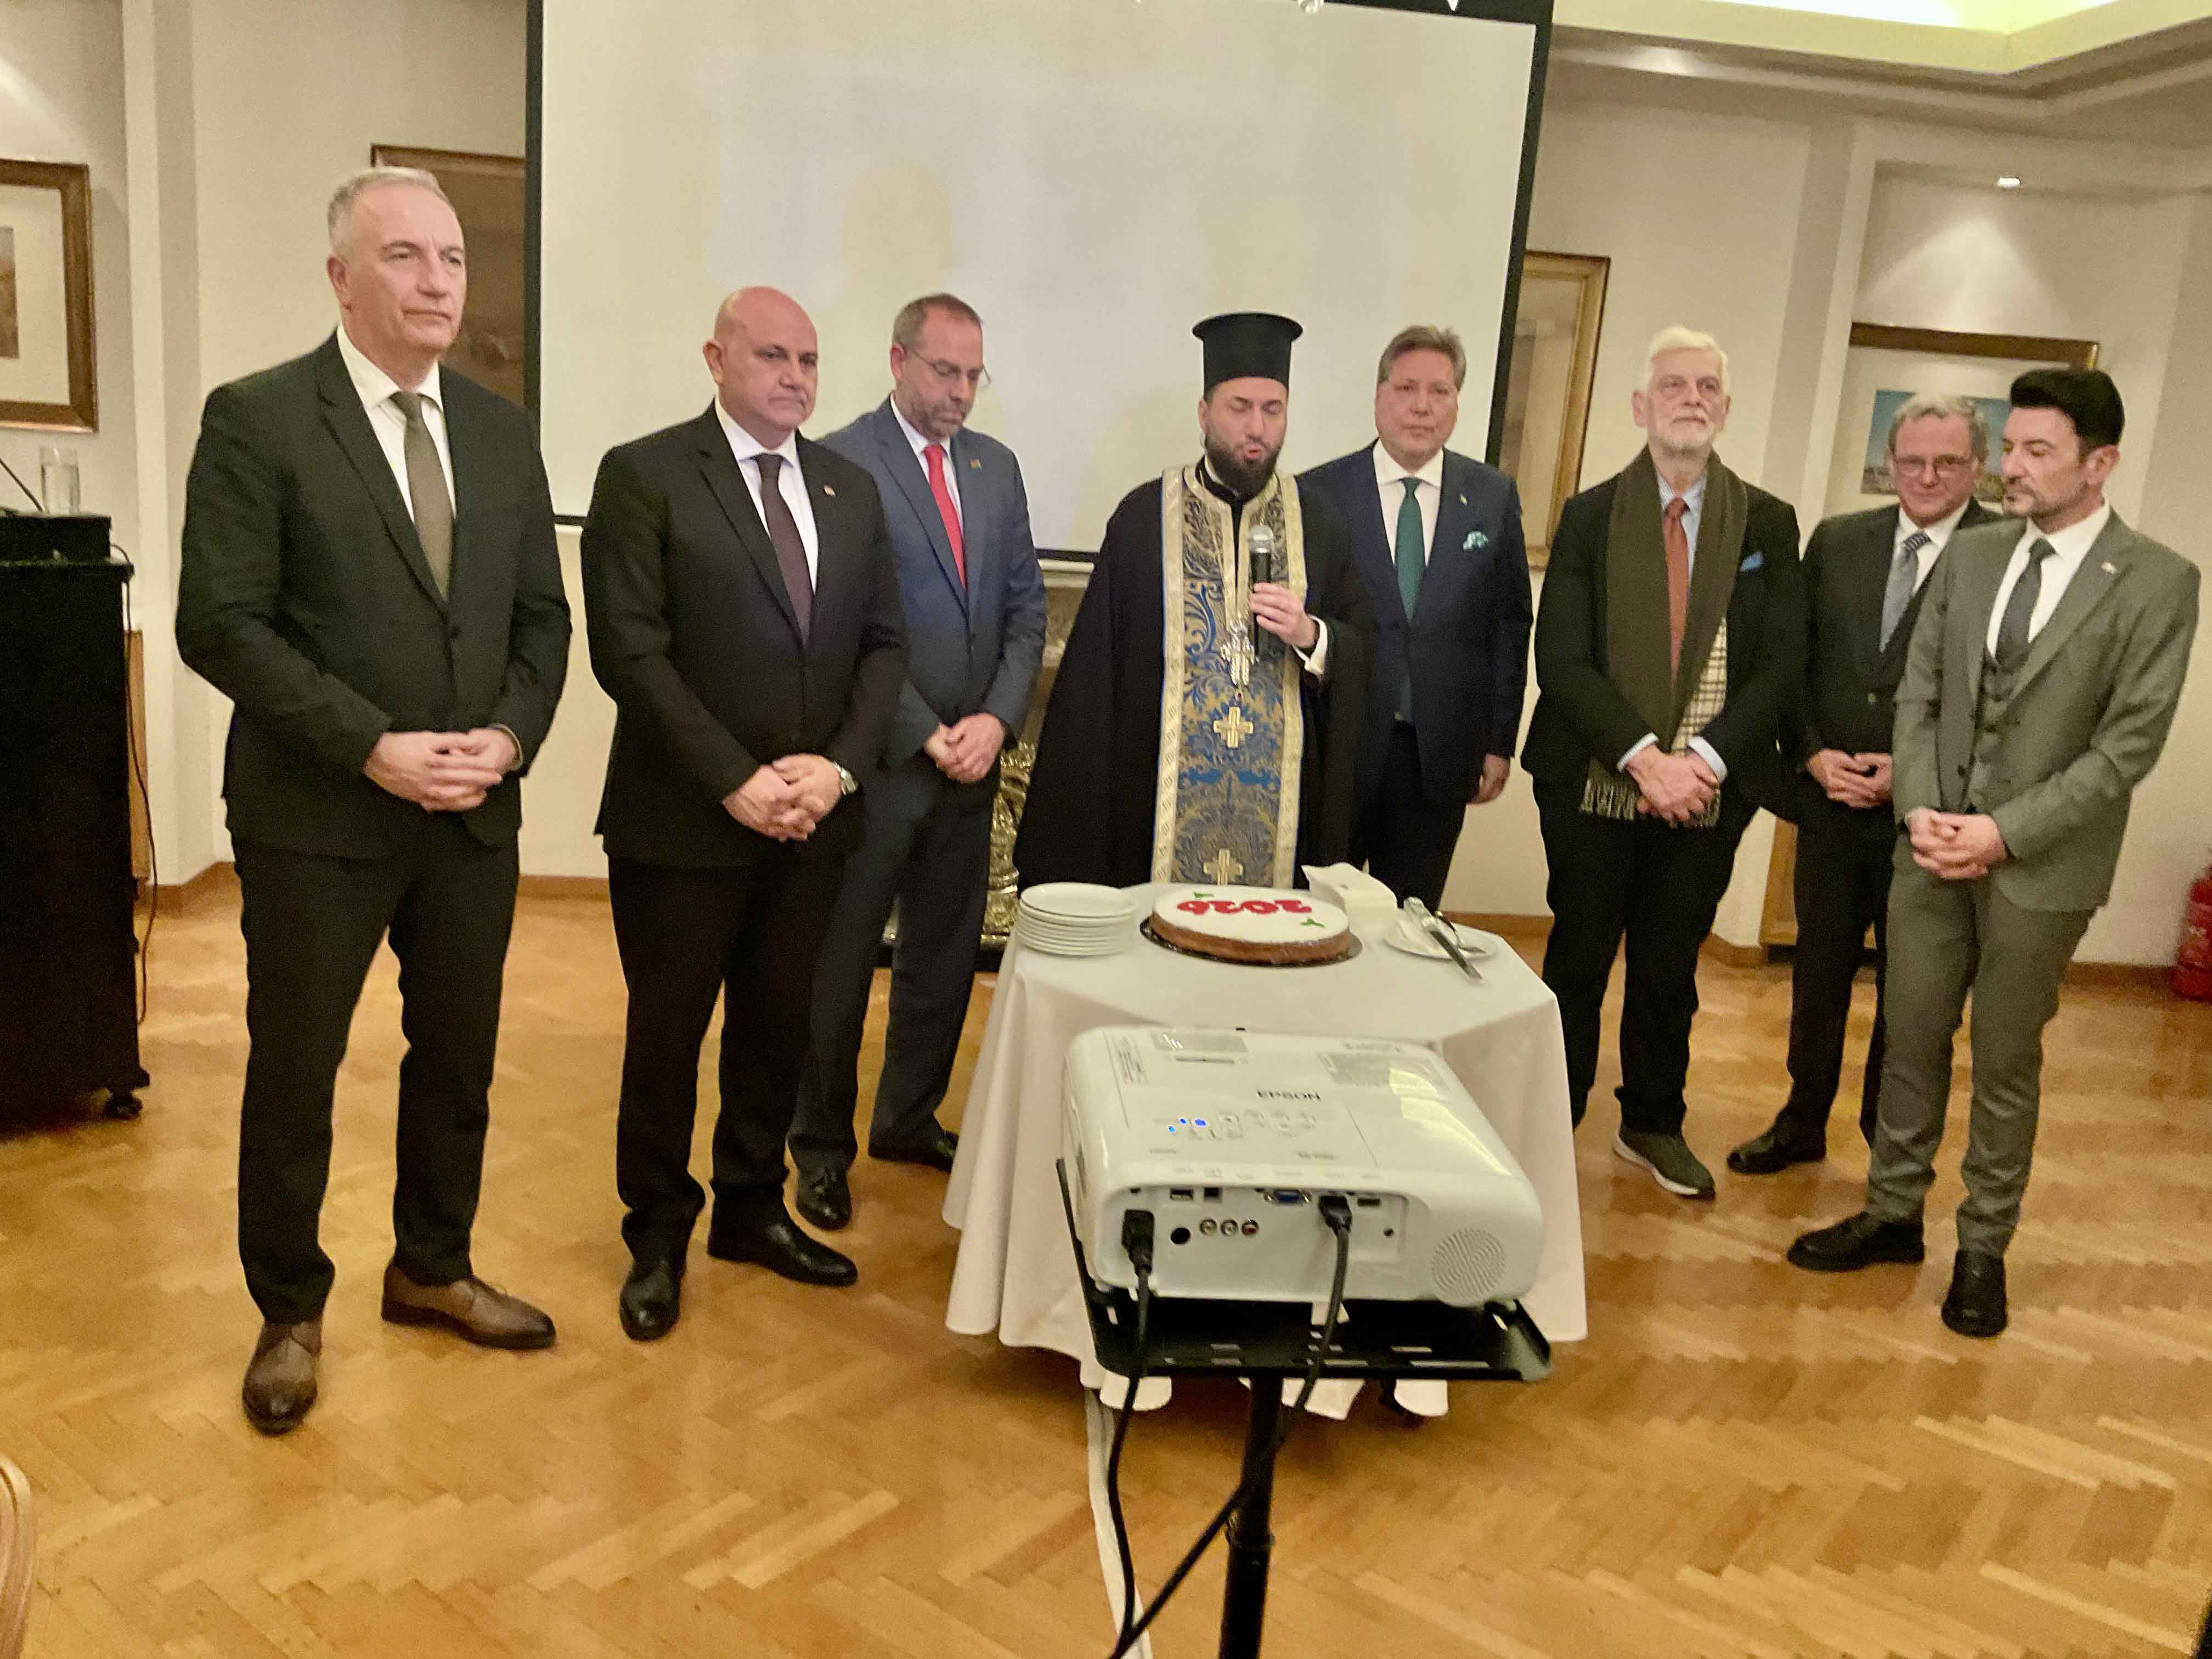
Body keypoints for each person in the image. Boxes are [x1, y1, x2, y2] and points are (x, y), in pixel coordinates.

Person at [176, 166, 572, 1435]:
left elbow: (542, 625)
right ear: (341, 277)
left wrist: (507, 738)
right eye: (405, 256)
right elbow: (219, 623)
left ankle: (433, 1267)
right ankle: (290, 1310)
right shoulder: (260, 418)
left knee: (458, 1058)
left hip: (473, 817)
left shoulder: (503, 433)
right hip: (318, 820)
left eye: (452, 258)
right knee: (298, 1068)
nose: (438, 281)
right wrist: (372, 748)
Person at [1788, 369, 2199, 1338]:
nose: (2011, 467)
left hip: (2041, 869)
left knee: (2005, 1058)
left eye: (2036, 451)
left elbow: (2125, 749)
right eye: (2010, 447)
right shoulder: (1973, 556)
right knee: (1910, 1035)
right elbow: (1921, 694)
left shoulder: (2157, 581)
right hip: (1931, 851)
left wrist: (2003, 832)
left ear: (2099, 464)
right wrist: (1925, 812)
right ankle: (1893, 1211)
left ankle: (1983, 1247)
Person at [580, 287, 907, 1341]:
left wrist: (839, 769)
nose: (795, 377)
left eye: (808, 359)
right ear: (716, 357)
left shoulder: (850, 489)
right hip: (682, 823)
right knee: (668, 1034)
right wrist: (733, 777)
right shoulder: (645, 475)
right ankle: (657, 1231)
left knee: (779, 1023)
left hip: (813, 822)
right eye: (772, 355)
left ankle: (751, 1207)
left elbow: (884, 646)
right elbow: (629, 650)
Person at [1520, 326, 1805, 1201]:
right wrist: (1647, 761)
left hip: (1710, 791)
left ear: (1726, 407)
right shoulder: (1589, 516)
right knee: (1577, 958)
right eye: (1675, 386)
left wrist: (1701, 763)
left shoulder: (1767, 522)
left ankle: (1651, 1122)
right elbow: (1562, 659)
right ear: (1641, 406)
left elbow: (1781, 663)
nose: (1692, 399)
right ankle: (1549, 1122)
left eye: (1707, 387)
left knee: (1669, 966)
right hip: (1594, 784)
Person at [787, 295, 1046, 1232]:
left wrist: (995, 720)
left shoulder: (995, 467)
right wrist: (926, 729)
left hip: (971, 766)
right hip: (879, 763)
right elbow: (837, 626)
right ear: (899, 361)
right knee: (840, 963)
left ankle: (906, 1117)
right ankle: (819, 1148)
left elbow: (1025, 611)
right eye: (945, 371)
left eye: (975, 374)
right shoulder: (840, 463)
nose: (962, 391)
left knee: (942, 955)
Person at [1729, 394, 1997, 1176]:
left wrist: (1909, 776)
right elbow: (1795, 659)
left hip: (1936, 821)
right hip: (1832, 805)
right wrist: (1811, 752)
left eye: (1947, 462)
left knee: (1915, 991)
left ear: (1979, 467)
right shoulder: (1839, 540)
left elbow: (2001, 696)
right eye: (1911, 460)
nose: (1927, 476)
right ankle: (1802, 1120)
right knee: (1818, 974)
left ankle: (1889, 1142)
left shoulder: (2004, 555)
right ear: (1890, 462)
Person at [1013, 312, 1374, 890]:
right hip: (1153, 810)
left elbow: (1361, 646)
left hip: (1283, 821)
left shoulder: (1320, 523)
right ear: (1205, 413)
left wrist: (1312, 636)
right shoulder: (1142, 520)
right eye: (1240, 408)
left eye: (1273, 410)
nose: (1256, 427)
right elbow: (1094, 683)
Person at [1300, 324, 1532, 910]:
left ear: (1457, 403)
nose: (1422, 406)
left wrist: (1499, 743)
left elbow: (1509, 625)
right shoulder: (1318, 494)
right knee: (1319, 913)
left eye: (1440, 391)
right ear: (1379, 395)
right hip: (1338, 747)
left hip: (1440, 755)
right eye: (1406, 388)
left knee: (1412, 921)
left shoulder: (1492, 497)